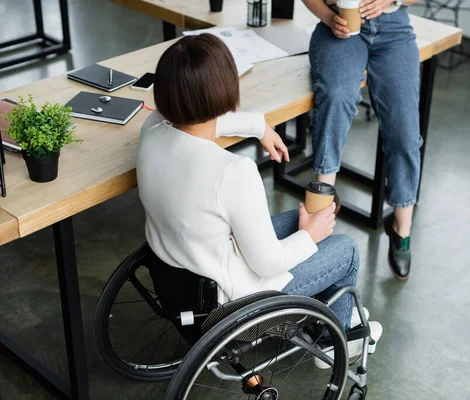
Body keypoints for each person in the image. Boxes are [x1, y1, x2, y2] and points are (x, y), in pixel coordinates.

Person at [136, 34, 382, 362]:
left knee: (296, 224)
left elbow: (197, 120)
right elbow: (267, 263)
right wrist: (310, 236)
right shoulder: (232, 171)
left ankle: (326, 312)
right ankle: (332, 339)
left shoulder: (151, 129)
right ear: (226, 92)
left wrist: (259, 127)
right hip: (229, 309)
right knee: (344, 249)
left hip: (181, 284)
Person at [302, 0, 421, 279]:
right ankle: (321, 205)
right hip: (337, 25)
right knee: (336, 96)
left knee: (404, 129)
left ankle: (401, 229)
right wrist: (330, 17)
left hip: (394, 30)